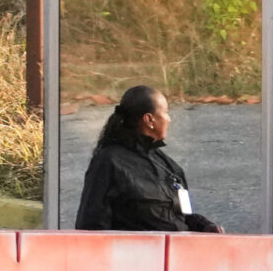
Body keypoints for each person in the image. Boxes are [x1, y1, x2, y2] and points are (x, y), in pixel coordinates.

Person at [73, 85, 222, 233]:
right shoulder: (109, 161)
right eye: (166, 112)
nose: (169, 119)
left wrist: (204, 226)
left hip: (177, 246)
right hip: (136, 248)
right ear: (149, 119)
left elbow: (183, 216)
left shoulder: (167, 165)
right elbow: (91, 226)